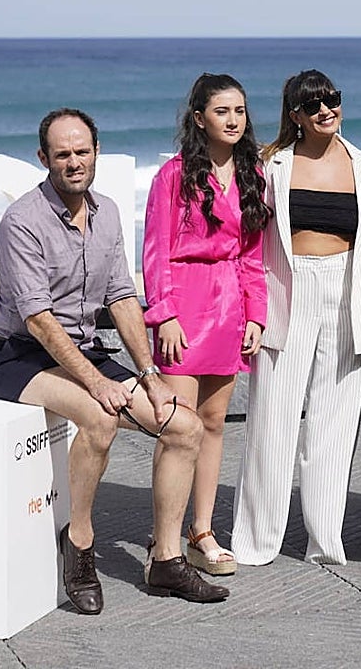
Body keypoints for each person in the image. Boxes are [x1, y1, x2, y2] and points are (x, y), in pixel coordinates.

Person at [0, 107, 228, 612]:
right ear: (44, 158)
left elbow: (120, 296)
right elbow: (38, 319)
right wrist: (97, 383)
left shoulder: (108, 212)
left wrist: (150, 375)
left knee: (183, 426)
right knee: (99, 418)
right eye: (63, 154)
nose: (74, 162)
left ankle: (165, 560)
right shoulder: (22, 222)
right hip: (19, 356)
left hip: (86, 351)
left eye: (82, 151)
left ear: (96, 151)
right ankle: (80, 544)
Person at [231, 70, 361, 566]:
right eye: (312, 105)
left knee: (334, 425)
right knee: (272, 418)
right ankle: (256, 541)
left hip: (346, 289)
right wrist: (249, 307)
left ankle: (324, 540)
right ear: (294, 114)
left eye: (332, 100)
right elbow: (249, 239)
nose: (325, 110)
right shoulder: (271, 164)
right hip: (287, 291)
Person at [142, 73, 270, 576]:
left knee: (215, 424)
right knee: (179, 427)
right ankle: (165, 542)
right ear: (199, 119)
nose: (233, 119)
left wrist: (255, 314)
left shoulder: (252, 174)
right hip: (184, 307)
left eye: (239, 110)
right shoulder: (173, 176)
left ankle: (201, 532)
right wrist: (165, 314)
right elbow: (154, 253)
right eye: (222, 111)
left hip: (229, 309)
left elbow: (252, 256)